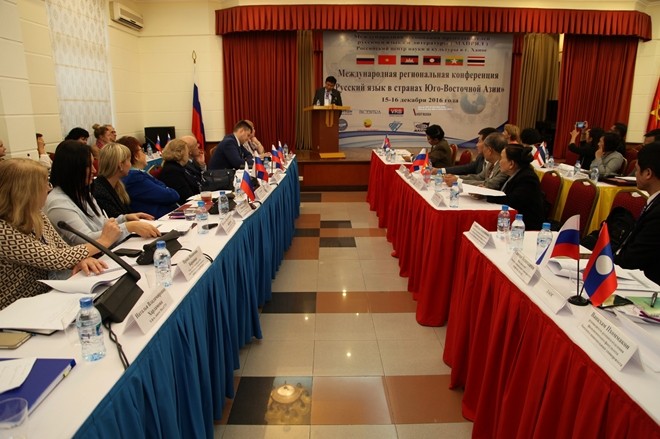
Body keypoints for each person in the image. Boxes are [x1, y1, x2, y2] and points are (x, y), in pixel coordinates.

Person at [0, 159, 119, 309]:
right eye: (44, 185)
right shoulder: (3, 230)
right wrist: (103, 242)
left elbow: (62, 250)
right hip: (15, 310)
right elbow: (55, 259)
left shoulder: (36, 214)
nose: (48, 190)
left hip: (47, 297)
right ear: (26, 191)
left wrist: (79, 260)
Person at [44, 140, 159, 246]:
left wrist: (124, 219)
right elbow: (85, 239)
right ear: (74, 169)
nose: (94, 170)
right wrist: (129, 227)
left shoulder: (82, 193)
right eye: (89, 166)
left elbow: (101, 224)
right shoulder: (57, 203)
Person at [614, 141, 660, 286]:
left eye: (636, 169)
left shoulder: (657, 215)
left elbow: (631, 261)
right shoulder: (654, 202)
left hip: (645, 284)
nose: (634, 174)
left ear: (647, 173)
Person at [118, 136, 179, 218]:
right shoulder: (135, 178)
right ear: (136, 156)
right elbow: (171, 196)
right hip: (158, 220)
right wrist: (166, 188)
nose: (145, 154)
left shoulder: (137, 175)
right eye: (142, 151)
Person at [486, 144, 545, 230]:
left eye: (502, 158)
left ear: (511, 163)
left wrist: (487, 197)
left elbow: (512, 200)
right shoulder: (513, 174)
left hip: (525, 226)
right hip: (511, 220)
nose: (499, 161)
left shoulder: (527, 178)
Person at [444, 132, 509, 190]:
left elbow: (489, 184)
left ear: (489, 150)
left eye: (484, 147)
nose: (483, 150)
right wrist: (456, 177)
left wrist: (458, 181)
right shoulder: (490, 164)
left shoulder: (504, 167)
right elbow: (479, 177)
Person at [92, 143, 134, 218]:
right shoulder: (99, 191)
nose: (130, 165)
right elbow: (114, 219)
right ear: (120, 165)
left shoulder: (117, 185)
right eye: (129, 160)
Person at [158, 139, 201, 205]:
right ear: (180, 153)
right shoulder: (172, 171)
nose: (188, 154)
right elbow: (185, 196)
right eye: (187, 152)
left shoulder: (177, 167)